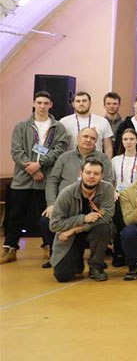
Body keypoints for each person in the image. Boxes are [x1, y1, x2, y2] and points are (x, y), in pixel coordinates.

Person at [2, 91, 69, 265]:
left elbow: (60, 149)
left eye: (46, 103)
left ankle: (49, 246)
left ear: (51, 105)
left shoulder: (58, 127)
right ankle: (10, 248)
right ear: (34, 103)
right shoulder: (22, 125)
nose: (42, 106)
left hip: (46, 179)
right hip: (23, 178)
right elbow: (16, 151)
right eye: (39, 102)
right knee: (15, 215)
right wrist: (31, 170)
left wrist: (40, 164)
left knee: (46, 215)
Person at [44, 128, 115, 258]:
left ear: (96, 142)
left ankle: (96, 261)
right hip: (67, 204)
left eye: (92, 138)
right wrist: (52, 203)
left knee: (104, 227)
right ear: (77, 138)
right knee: (45, 221)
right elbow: (53, 180)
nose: (88, 140)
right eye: (85, 136)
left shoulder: (103, 158)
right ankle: (57, 255)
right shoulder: (64, 157)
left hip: (93, 205)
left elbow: (107, 181)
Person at [47, 159, 116, 282]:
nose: (91, 176)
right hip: (70, 238)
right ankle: (77, 262)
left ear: (101, 176)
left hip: (91, 231)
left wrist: (76, 229)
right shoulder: (67, 193)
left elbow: (107, 217)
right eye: (88, 172)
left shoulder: (107, 189)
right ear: (81, 174)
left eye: (96, 174)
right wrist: (83, 218)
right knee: (62, 276)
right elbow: (54, 225)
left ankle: (96, 267)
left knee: (105, 228)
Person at [59, 91, 114, 157]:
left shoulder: (103, 122)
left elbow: (108, 148)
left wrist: (107, 162)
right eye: (78, 101)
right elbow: (60, 146)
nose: (81, 103)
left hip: (96, 161)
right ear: (73, 104)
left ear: (90, 103)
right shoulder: (64, 122)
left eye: (84, 101)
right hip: (72, 161)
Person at [113, 128, 137, 194]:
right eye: (125, 139)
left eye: (131, 139)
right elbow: (112, 181)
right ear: (122, 141)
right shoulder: (115, 160)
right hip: (119, 195)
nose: (128, 142)